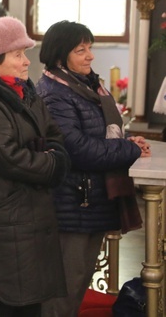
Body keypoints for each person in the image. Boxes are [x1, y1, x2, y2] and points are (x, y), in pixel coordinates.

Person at [0, 17, 70, 316]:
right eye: (18, 54)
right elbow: (12, 159)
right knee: (6, 307)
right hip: (6, 225)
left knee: (29, 305)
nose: (25, 61)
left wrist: (49, 153)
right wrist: (53, 162)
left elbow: (55, 136)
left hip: (28, 218)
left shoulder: (25, 94)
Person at [36, 21, 147, 316]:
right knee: (64, 288)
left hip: (89, 200)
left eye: (90, 47)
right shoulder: (54, 93)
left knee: (77, 282)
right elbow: (80, 151)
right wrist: (129, 149)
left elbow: (98, 135)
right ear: (60, 57)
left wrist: (125, 140)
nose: (90, 55)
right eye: (80, 49)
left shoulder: (86, 86)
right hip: (72, 201)